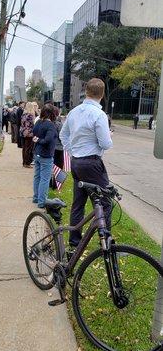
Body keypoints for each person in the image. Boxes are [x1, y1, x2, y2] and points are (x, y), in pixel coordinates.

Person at [60, 78, 113, 251]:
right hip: (92, 163)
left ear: (86, 91)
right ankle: (106, 242)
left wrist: (71, 150)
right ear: (102, 94)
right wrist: (109, 136)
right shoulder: (99, 115)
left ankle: (74, 243)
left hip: (76, 162)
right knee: (105, 203)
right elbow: (105, 144)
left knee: (78, 203)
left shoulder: (74, 112)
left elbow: (63, 134)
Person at [32, 104, 57, 208]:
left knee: (37, 176)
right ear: (52, 113)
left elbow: (34, 133)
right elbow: (48, 140)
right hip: (45, 155)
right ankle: (42, 202)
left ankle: (36, 197)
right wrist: (39, 140)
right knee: (44, 179)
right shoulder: (50, 125)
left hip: (37, 153)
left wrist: (37, 139)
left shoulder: (38, 122)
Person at [20, 102, 35, 168]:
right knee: (28, 148)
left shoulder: (23, 114)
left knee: (24, 148)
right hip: (29, 133)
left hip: (23, 132)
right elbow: (32, 125)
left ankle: (24, 162)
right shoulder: (30, 115)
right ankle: (27, 163)